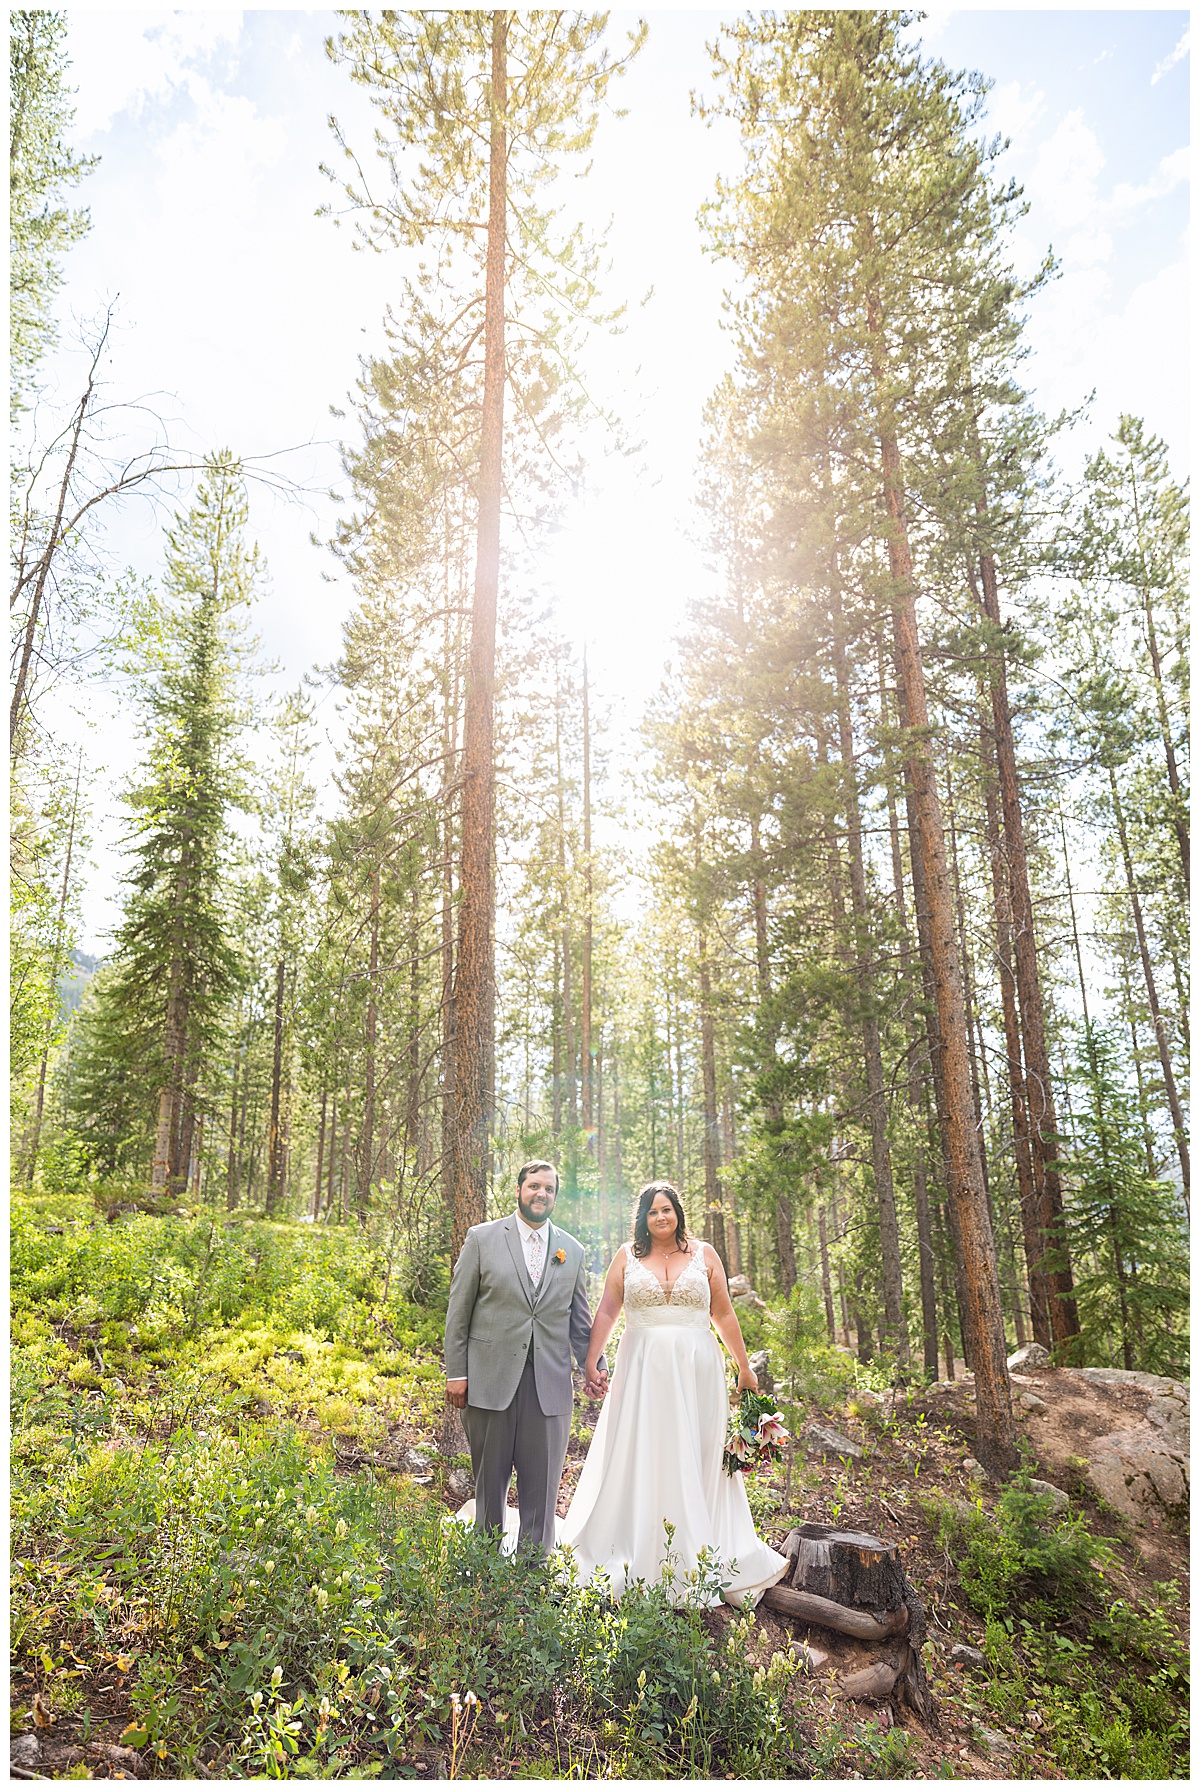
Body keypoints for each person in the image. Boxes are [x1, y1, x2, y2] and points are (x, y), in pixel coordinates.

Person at [558, 1180, 789, 1607]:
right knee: (643, 1450)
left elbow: (722, 1312)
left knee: (698, 1452)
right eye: (652, 1211)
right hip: (641, 1368)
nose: (661, 1217)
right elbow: (609, 1309)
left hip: (697, 1368)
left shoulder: (704, 1255)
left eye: (667, 1209)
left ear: (678, 1212)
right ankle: (637, 1548)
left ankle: (699, 1549)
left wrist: (743, 1365)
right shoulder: (628, 1256)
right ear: (643, 1218)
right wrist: (592, 1359)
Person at [444, 1160, 608, 1553]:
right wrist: (456, 1372)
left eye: (549, 1189)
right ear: (519, 1190)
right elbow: (458, 1311)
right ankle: (485, 1568)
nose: (542, 1194)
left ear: (555, 1196)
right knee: (489, 1486)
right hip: (489, 1383)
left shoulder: (572, 1250)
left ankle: (533, 1576)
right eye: (534, 1186)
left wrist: (595, 1367)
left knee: (542, 1488)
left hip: (548, 1388)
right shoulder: (481, 1239)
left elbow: (580, 1324)